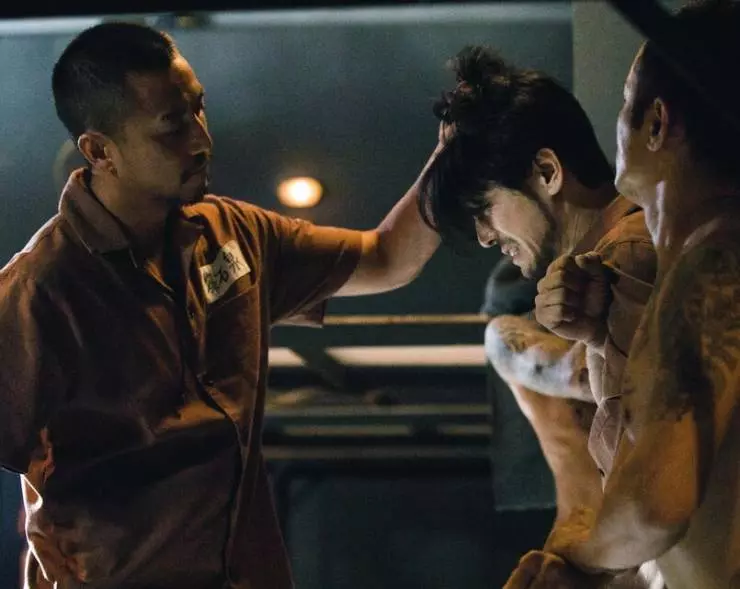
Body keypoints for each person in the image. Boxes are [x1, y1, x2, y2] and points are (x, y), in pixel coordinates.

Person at [0, 22, 443, 589]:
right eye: (172, 126)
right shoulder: (43, 289)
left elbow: (387, 258)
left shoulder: (235, 233)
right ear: (100, 151)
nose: (201, 139)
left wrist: (455, 154)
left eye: (199, 109)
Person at [512, 1, 740, 588]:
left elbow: (652, 508)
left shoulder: (713, 264)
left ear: (657, 123)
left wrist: (576, 557)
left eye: (622, 101)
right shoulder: (701, 268)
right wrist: (603, 336)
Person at [418, 46, 658, 587]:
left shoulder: (630, 255)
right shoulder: (612, 263)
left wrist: (580, 562)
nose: (485, 237)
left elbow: (662, 494)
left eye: (484, 209)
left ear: (547, 172)